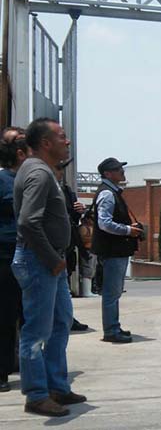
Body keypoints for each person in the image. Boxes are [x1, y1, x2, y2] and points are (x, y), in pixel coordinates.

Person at [12, 118, 86, 417]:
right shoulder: (39, 174)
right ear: (46, 143)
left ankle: (57, 386)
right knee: (37, 331)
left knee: (60, 323)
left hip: (48, 260)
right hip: (40, 261)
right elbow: (28, 222)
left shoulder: (39, 170)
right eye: (62, 137)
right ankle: (37, 395)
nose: (67, 142)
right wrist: (52, 259)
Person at [91, 157, 142, 344]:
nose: (122, 172)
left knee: (114, 292)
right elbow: (104, 223)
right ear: (107, 173)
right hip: (112, 251)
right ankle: (111, 331)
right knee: (111, 293)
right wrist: (129, 230)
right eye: (118, 169)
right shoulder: (107, 194)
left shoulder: (112, 192)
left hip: (116, 251)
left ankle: (114, 326)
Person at [0, 127, 29, 393]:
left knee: (27, 314)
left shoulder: (30, 180)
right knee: (5, 315)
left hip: (29, 256)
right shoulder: (2, 181)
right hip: (5, 257)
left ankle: (21, 363)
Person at [53, 159, 89, 332]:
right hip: (51, 249)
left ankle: (67, 317)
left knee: (64, 286)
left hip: (67, 246)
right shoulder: (43, 187)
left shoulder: (67, 190)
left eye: (62, 169)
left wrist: (80, 211)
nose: (61, 172)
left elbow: (74, 219)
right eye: (59, 168)